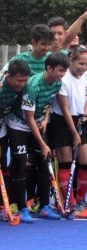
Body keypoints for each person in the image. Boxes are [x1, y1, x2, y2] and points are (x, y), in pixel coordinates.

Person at [7, 53, 69, 223]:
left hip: (37, 123)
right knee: (20, 162)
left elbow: (48, 104)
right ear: (49, 68)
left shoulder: (57, 83)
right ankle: (20, 207)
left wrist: (46, 119)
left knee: (44, 162)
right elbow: (28, 119)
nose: (63, 74)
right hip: (19, 125)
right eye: (60, 70)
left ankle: (44, 206)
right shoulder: (32, 87)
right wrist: (42, 143)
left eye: (65, 71)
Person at [49, 46, 87, 219]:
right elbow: (65, 109)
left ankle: (80, 199)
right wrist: (75, 134)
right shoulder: (63, 79)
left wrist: (86, 112)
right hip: (62, 123)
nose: (83, 67)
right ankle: (69, 202)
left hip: (80, 120)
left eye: (86, 64)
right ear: (72, 61)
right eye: (80, 63)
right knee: (66, 163)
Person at [0, 60, 30, 221]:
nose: (22, 84)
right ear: (8, 77)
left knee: (3, 163)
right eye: (19, 80)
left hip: (3, 123)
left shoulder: (25, 86)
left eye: (25, 80)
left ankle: (4, 205)